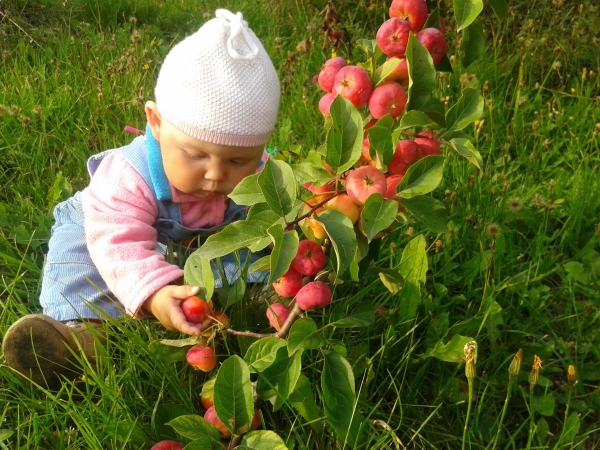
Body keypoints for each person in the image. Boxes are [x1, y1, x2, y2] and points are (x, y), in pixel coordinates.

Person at [2, 9, 280, 389]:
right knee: (79, 262)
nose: (215, 174)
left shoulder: (263, 171)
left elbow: (278, 215)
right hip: (108, 229)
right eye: (196, 155)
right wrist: (154, 294)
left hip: (193, 243)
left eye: (238, 160)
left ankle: (274, 305)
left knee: (262, 248)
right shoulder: (128, 176)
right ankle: (80, 339)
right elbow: (119, 240)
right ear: (156, 122)